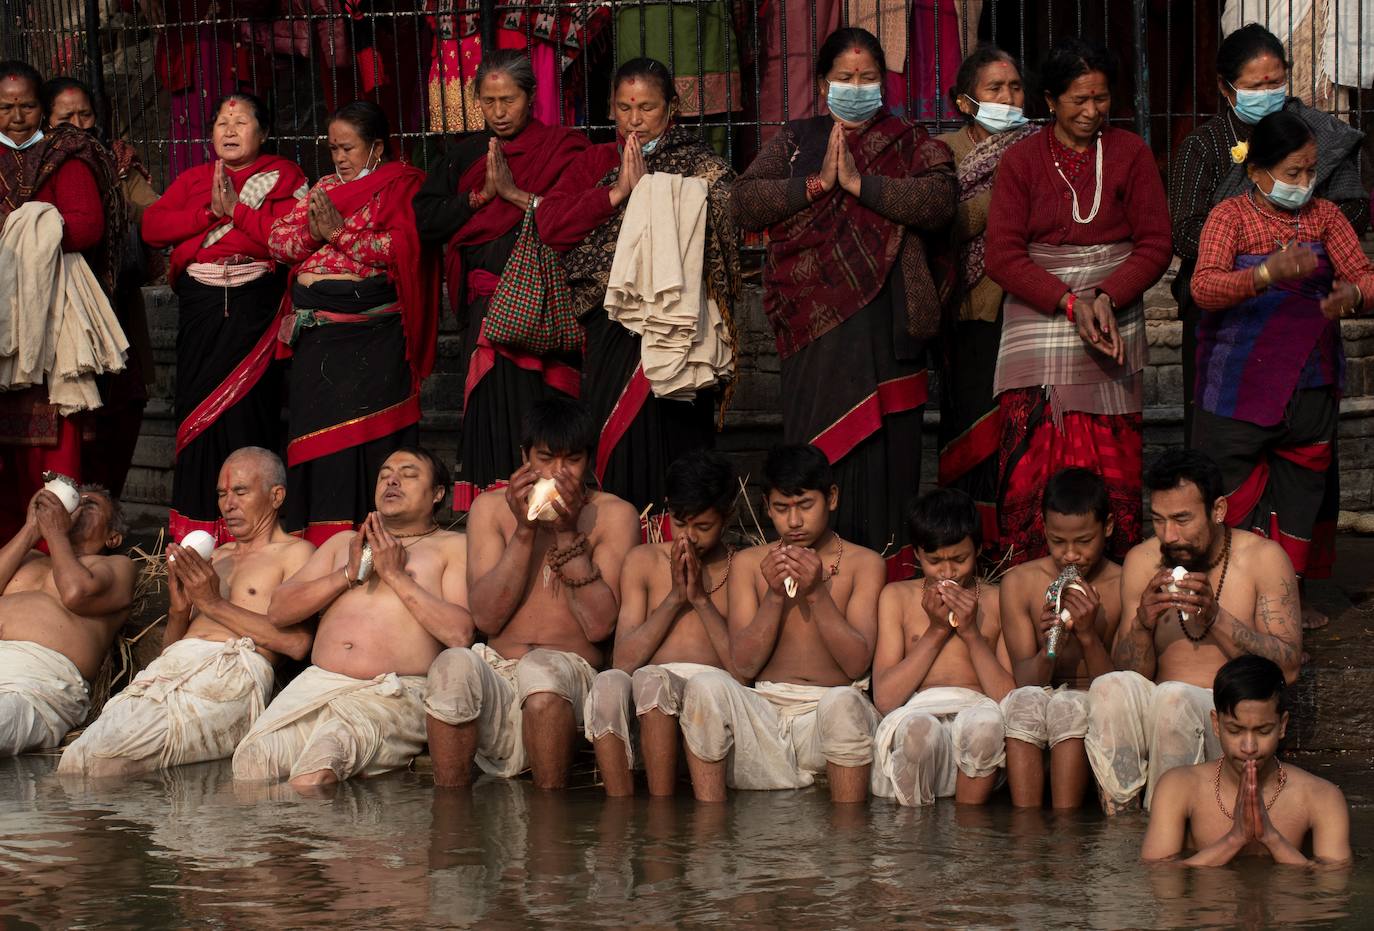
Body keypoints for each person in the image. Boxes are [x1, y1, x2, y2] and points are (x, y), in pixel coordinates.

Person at [733, 28, 956, 575]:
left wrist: (860, 186)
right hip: (813, 331)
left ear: (884, 81)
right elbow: (744, 201)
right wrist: (815, 185)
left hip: (886, 326)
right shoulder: (797, 138)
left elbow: (939, 200)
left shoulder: (910, 141)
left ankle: (882, 580)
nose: (856, 88)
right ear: (824, 81)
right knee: (815, 459)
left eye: (868, 78)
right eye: (844, 78)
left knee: (886, 462)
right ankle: (808, 578)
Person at [985, 37, 1171, 565]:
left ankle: (1113, 579)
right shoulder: (1021, 160)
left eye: (1102, 98)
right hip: (1041, 312)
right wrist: (1069, 302)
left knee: (1109, 456)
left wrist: (1108, 296)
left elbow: (1156, 242)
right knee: (1035, 459)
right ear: (1050, 100)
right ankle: (1028, 576)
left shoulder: (1130, 152)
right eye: (1079, 100)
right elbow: (1002, 255)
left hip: (1116, 307)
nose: (1093, 111)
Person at [1188, 110, 1374, 618]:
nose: (1304, 183)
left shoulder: (1327, 218)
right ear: (1256, 172)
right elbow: (1203, 287)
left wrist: (1354, 294)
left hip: (1310, 385)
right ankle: (1226, 602)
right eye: (1293, 173)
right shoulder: (1229, 217)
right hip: (1237, 391)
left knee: (1300, 496)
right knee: (1230, 494)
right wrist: (1264, 273)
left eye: (1311, 171)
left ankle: (1283, 607)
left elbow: (1365, 275)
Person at [537, 57, 740, 514]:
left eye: (647, 108)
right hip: (611, 325)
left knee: (679, 441)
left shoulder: (703, 168)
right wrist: (618, 193)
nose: (634, 120)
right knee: (617, 436)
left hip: (678, 326)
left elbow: (730, 226)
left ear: (672, 108)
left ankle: (682, 542)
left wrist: (668, 199)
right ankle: (622, 536)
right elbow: (550, 225)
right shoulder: (593, 162)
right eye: (624, 107)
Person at [424, 398, 640, 790]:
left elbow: (599, 626)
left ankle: (549, 826)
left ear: (589, 462)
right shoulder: (489, 508)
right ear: (524, 457)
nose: (558, 472)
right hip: (498, 668)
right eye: (545, 458)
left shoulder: (614, 514)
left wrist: (566, 531)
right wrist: (524, 530)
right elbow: (487, 619)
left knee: (542, 671)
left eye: (572, 460)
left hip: (567, 676)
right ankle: (450, 821)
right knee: (451, 665)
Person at [58, 448, 315, 778]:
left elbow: (296, 644)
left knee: (105, 764)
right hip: (172, 669)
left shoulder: (297, 554)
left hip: (229, 676)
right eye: (222, 494)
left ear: (276, 495)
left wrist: (213, 604)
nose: (228, 504)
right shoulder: (216, 556)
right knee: (75, 762)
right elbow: (170, 650)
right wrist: (180, 609)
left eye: (240, 491)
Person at [1168, 23, 1367, 447]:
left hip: (1305, 308)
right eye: (1256, 85)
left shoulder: (1313, 135)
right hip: (1224, 317)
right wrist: (1257, 244)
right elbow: (1185, 235)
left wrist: (1306, 233)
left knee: (1304, 445)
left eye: (1276, 82)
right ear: (1226, 88)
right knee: (1224, 444)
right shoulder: (1203, 146)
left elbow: (1356, 206)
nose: (1270, 91)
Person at [413, 50, 589, 511]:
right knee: (490, 409)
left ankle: (552, 510)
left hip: (542, 307)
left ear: (531, 97)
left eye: (508, 99)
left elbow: (578, 215)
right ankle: (493, 516)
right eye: (488, 101)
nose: (498, 112)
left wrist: (514, 195)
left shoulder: (563, 148)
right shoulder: (466, 155)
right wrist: (479, 198)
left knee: (541, 412)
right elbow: (426, 220)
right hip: (485, 313)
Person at [233, 447, 470, 790]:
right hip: (317, 685)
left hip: (390, 692)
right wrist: (349, 573)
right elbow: (279, 609)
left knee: (315, 778)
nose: (392, 479)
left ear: (438, 494)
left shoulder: (451, 547)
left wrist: (395, 575)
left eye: (409, 473)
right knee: (250, 769)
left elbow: (460, 634)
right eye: (385, 472)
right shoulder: (345, 542)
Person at [1087, 449, 1303, 814]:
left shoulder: (1263, 559)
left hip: (1223, 714)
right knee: (1109, 687)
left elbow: (1289, 668)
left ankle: (1168, 826)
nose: (1170, 535)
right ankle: (1120, 829)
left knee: (1174, 700)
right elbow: (1129, 670)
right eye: (1159, 520)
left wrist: (1217, 617)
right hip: (1157, 703)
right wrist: (1142, 622)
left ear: (1218, 510)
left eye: (1182, 519)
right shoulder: (1143, 560)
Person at [269, 101, 439, 544]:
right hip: (318, 343)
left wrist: (340, 235)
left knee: (367, 446)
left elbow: (401, 249)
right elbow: (279, 241)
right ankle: (323, 544)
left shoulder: (404, 186)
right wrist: (322, 231)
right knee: (319, 448)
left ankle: (374, 543)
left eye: (349, 148)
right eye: (334, 149)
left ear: (377, 147)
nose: (340, 158)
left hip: (372, 341)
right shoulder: (324, 187)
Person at [678, 444, 885, 803]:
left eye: (805, 506)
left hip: (828, 714)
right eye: (781, 508)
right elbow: (743, 667)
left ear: (831, 498)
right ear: (766, 508)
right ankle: (708, 832)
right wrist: (774, 596)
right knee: (705, 685)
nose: (793, 522)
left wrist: (817, 592)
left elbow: (856, 664)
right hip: (765, 713)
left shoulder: (865, 564)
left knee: (843, 703)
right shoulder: (748, 563)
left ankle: (851, 844)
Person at [143, 93, 307, 542]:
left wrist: (217, 226)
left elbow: (281, 239)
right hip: (201, 307)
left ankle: (250, 538)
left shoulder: (283, 177)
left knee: (248, 412)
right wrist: (208, 214)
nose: (229, 130)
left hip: (254, 308)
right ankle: (195, 534)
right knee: (197, 413)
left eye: (241, 122)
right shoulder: (195, 179)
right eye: (221, 122)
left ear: (265, 132)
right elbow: (152, 228)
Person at [0, 60, 123, 540]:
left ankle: (57, 564)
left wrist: (26, 232)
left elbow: (88, 224)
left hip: (52, 322)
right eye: (5, 107)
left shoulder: (67, 156)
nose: (16, 117)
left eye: (27, 105)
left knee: (55, 454)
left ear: (44, 109)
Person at [584, 449, 741, 797]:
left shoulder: (741, 567)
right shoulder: (642, 560)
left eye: (703, 527)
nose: (690, 538)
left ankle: (662, 806)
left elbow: (742, 669)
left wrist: (699, 598)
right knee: (613, 682)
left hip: (714, 696)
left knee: (653, 681)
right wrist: (673, 598)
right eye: (681, 523)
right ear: (668, 509)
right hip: (648, 690)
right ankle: (622, 807)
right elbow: (623, 661)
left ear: (727, 516)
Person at [935, 46, 1036, 546]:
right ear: (965, 100)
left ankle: (1019, 540)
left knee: (1026, 430)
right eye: (995, 88)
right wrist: (1006, 197)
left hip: (1031, 308)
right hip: (970, 310)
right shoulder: (942, 151)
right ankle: (968, 544)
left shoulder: (1041, 145)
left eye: (1015, 87)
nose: (1009, 97)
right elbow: (945, 222)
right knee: (971, 425)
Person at [41, 75, 158, 501]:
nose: (77, 124)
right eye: (65, 117)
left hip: (117, 310)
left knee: (120, 412)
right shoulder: (35, 168)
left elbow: (154, 215)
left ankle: (106, 519)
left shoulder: (117, 163)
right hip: (60, 317)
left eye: (85, 114)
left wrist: (115, 207)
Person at [870, 488, 1012, 807]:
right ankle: (912, 834)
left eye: (960, 559)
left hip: (979, 716)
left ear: (977, 549)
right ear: (918, 554)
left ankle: (969, 835)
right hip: (916, 715)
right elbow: (885, 699)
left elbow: (1008, 698)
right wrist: (935, 631)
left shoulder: (998, 599)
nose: (947, 573)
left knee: (986, 724)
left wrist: (972, 633)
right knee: (919, 731)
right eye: (934, 561)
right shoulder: (896, 597)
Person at [1142, 655, 1351, 866]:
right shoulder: (1179, 787)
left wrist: (1271, 838)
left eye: (1263, 731)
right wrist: (1234, 840)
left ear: (1282, 726)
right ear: (1216, 724)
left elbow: (1332, 887)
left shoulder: (1322, 798)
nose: (1249, 747)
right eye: (1235, 730)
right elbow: (1160, 876)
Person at [999, 467, 1123, 809]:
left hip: (1094, 696)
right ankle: (1027, 833)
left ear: (1107, 528)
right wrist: (1050, 646)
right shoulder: (1019, 582)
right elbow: (1026, 681)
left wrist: (1087, 635)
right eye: (1058, 541)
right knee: (1025, 704)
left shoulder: (1122, 584)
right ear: (1043, 529)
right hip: (1040, 690)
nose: (1070, 554)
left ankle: (1065, 836)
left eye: (1083, 541)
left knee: (1068, 706)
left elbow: (1118, 689)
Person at [0, 485, 135, 756]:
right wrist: (31, 529)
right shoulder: (29, 558)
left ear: (112, 537)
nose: (78, 508)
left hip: (34, 686)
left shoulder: (116, 566)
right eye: (77, 502)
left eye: (91, 505)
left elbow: (76, 595)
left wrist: (55, 533)